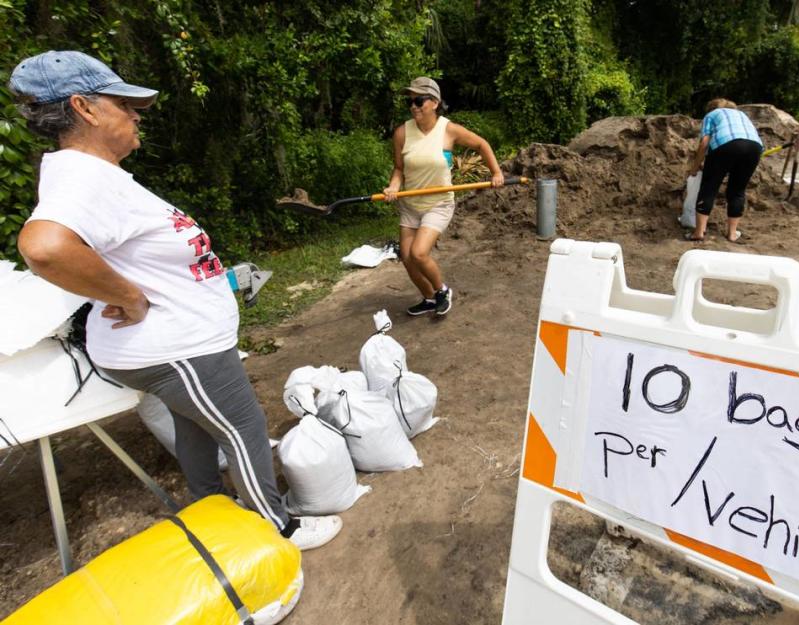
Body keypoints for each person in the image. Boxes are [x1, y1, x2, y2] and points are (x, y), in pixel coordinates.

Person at [11, 50, 340, 551]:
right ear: (85, 108)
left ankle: (210, 510)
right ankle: (280, 528)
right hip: (177, 348)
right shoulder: (82, 177)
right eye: (123, 103)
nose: (136, 113)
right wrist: (128, 297)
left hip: (177, 345)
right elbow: (45, 247)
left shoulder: (95, 175)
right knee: (243, 426)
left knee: (198, 428)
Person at [384, 77, 504, 316]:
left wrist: (496, 172)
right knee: (407, 259)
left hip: (438, 203)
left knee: (419, 253)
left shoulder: (448, 130)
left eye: (419, 100)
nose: (414, 106)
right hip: (410, 205)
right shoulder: (402, 133)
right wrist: (393, 186)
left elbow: (481, 144)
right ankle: (429, 299)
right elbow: (398, 169)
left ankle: (442, 290)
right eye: (411, 101)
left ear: (435, 102)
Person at [685, 98, 763, 243]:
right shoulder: (742, 115)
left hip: (726, 144)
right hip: (754, 147)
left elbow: (704, 142)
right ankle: (732, 234)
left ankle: (699, 232)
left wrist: (695, 167)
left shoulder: (711, 115)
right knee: (737, 190)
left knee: (709, 187)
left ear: (711, 108)